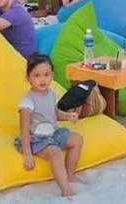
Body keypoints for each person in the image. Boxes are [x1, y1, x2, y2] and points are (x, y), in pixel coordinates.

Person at [17, 54, 84, 197]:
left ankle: (70, 174)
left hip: (53, 133)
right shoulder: (27, 102)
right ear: (28, 78)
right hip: (37, 138)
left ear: (52, 75)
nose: (42, 79)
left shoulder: (52, 94)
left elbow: (55, 114)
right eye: (37, 75)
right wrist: (27, 153)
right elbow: (24, 129)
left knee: (77, 139)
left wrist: (67, 116)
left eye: (46, 75)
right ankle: (66, 189)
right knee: (56, 153)